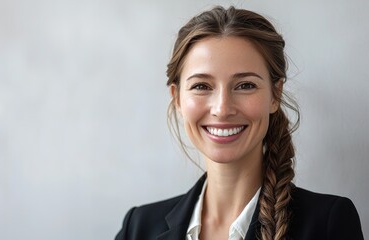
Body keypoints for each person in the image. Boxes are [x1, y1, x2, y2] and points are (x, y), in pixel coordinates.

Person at [115, 6, 364, 240]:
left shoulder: (328, 224)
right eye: (201, 86)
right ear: (177, 98)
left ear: (275, 95)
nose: (222, 109)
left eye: (245, 85)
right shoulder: (138, 227)